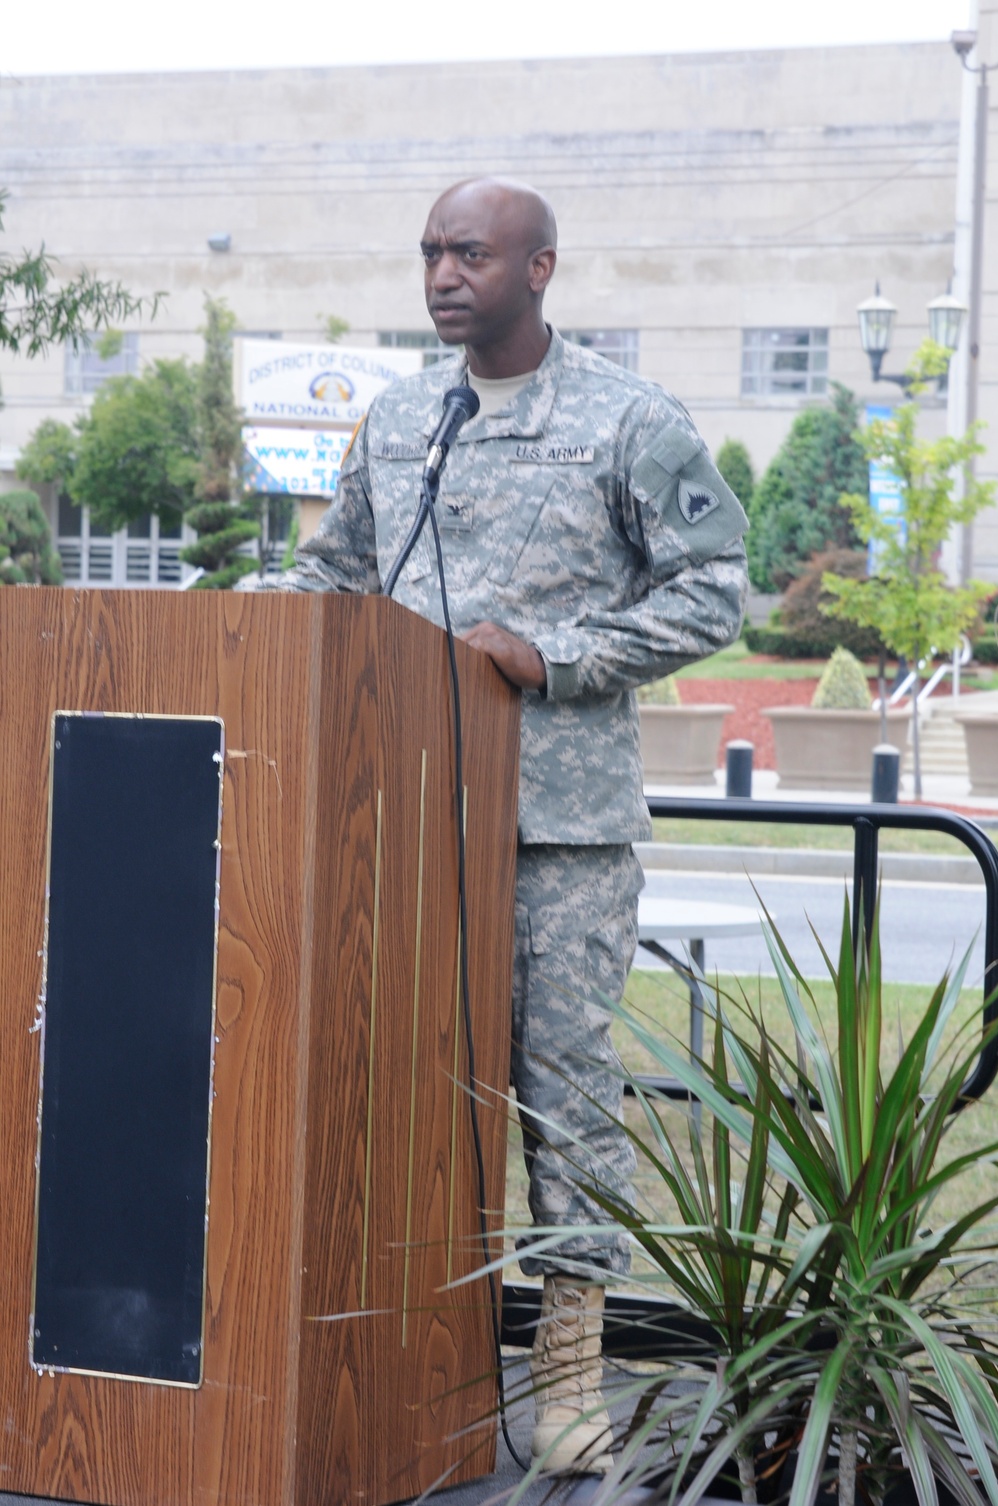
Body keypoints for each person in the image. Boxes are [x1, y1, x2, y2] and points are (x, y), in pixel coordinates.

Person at [267, 177, 749, 1472]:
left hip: (557, 831)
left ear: (540, 268)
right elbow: (335, 575)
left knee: (564, 1094)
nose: (441, 274)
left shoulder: (627, 418)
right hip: (399, 823)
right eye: (429, 251)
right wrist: (249, 621)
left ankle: (572, 1374)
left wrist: (558, 653)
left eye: (469, 253)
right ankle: (413, 1364)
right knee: (396, 1092)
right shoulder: (398, 415)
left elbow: (718, 587)